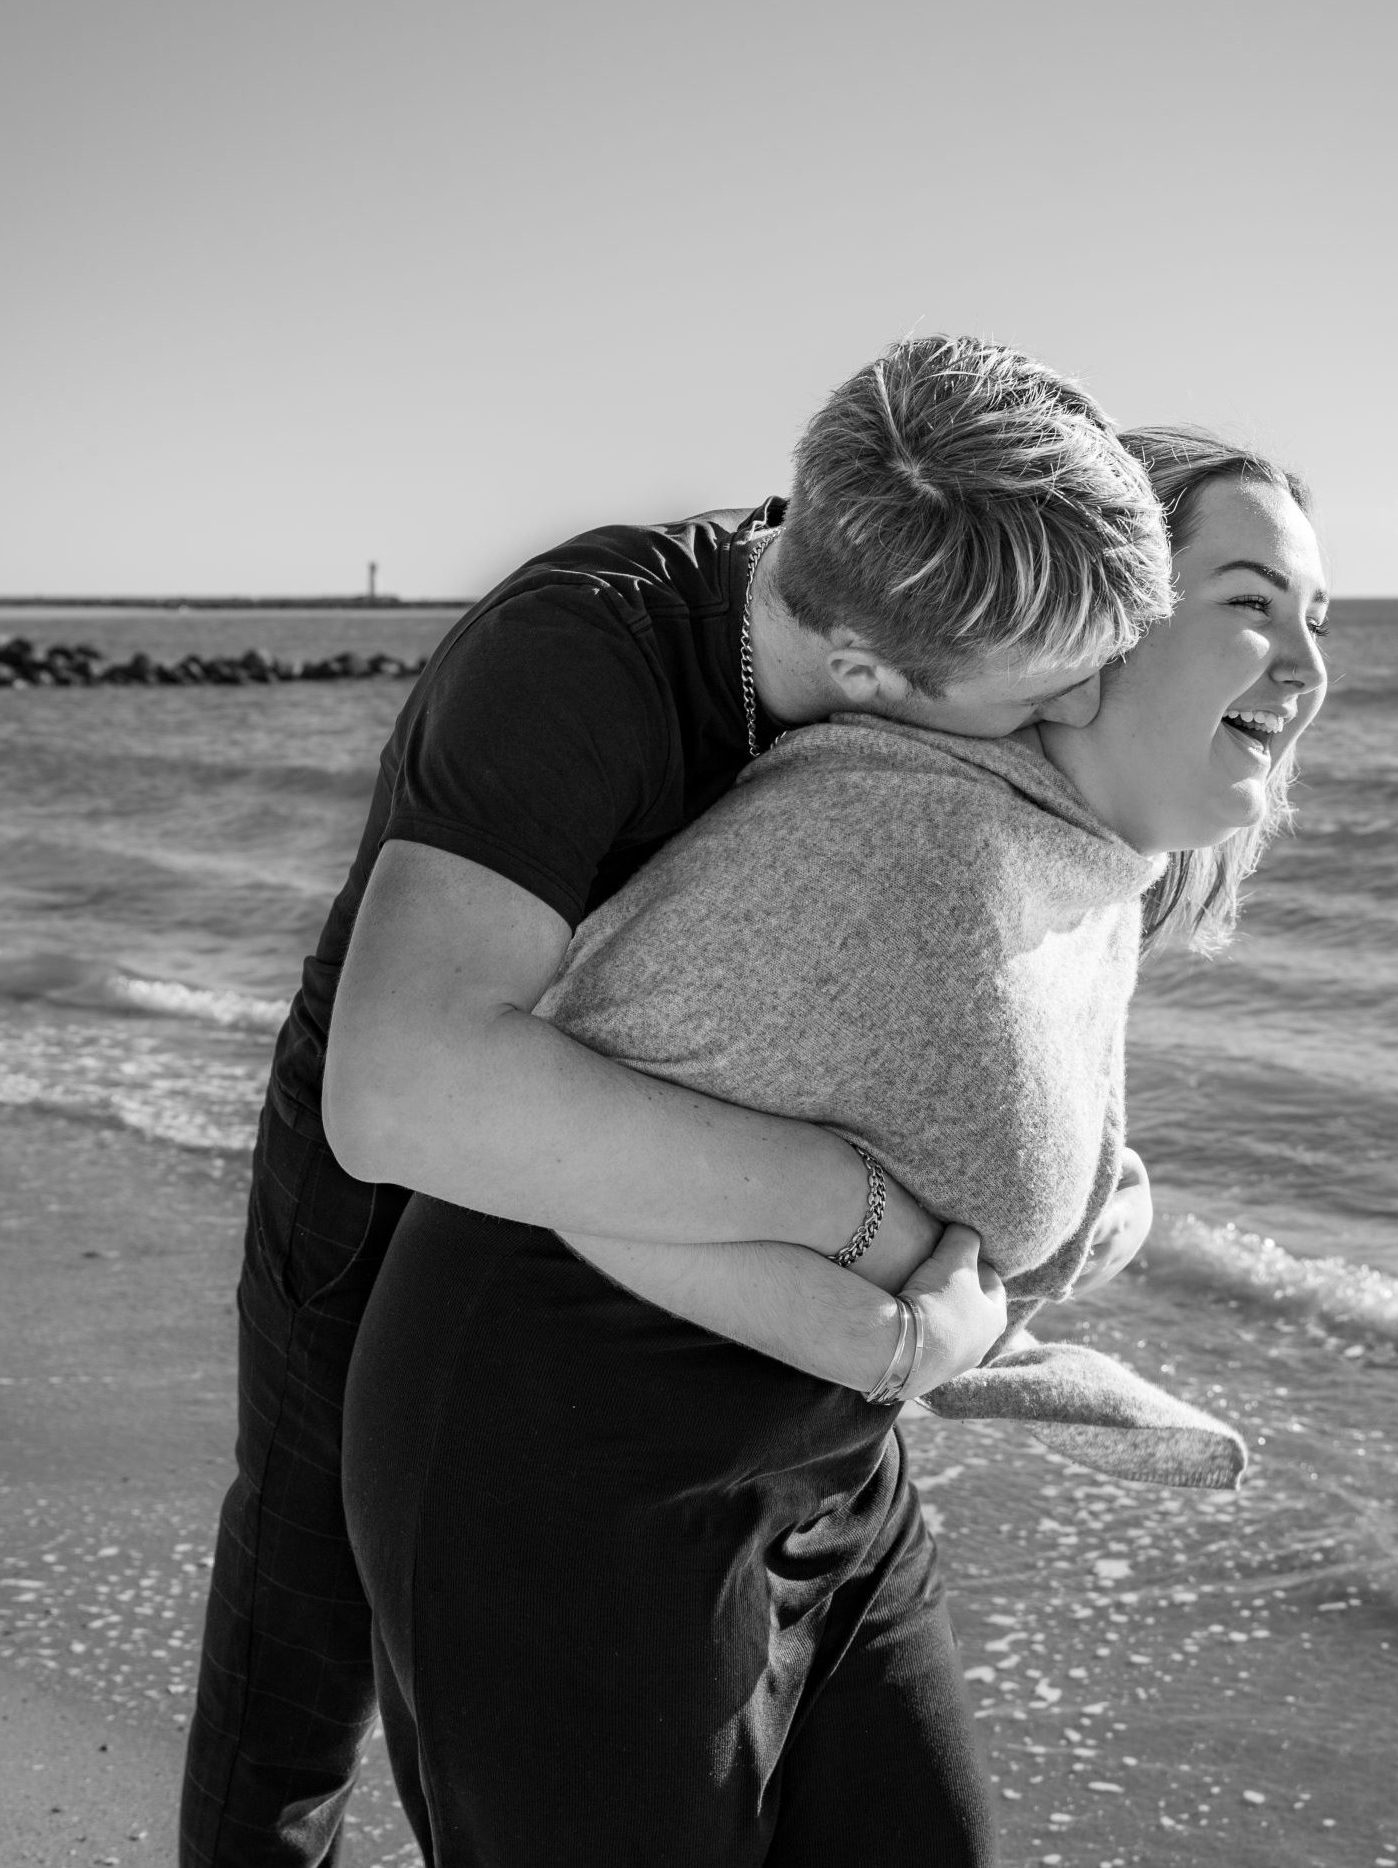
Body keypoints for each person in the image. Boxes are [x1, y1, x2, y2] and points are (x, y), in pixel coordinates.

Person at [180, 335, 1174, 1867]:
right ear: (865, 681)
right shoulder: (578, 660)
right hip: (393, 1178)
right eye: (1054, 689)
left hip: (693, 1359)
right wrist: (861, 1218)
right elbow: (407, 1088)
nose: (1090, 703)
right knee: (305, 1640)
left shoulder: (902, 573)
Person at [341, 428, 1330, 1865]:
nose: (1306, 664)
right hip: (560, 1471)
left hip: (820, 1471)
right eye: (1253, 601)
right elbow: (529, 1115)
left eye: (1320, 616)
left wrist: (1006, 1262)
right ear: (1102, 619)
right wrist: (900, 1306)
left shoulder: (1096, 855)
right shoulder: (885, 841)